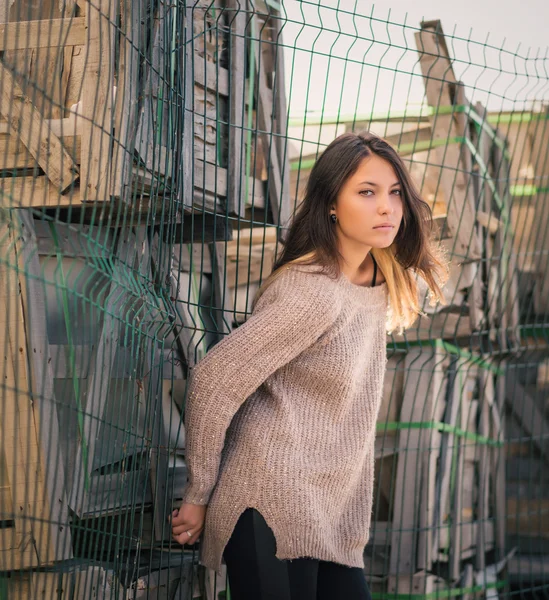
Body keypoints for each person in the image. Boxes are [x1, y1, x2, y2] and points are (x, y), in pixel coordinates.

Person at [170, 132, 448, 599]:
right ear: (332, 205)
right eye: (367, 192)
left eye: (394, 192)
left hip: (330, 512)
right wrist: (198, 495)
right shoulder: (311, 291)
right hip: (270, 500)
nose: (387, 207)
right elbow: (214, 380)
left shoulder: (375, 281)